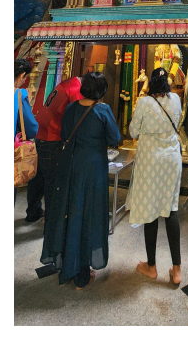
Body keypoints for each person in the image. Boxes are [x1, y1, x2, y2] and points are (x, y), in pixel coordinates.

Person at [40, 71, 121, 289]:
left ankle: (67, 264)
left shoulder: (71, 108)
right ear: (101, 91)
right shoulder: (102, 110)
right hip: (92, 169)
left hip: (71, 165)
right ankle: (82, 273)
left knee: (69, 211)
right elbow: (115, 138)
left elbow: (65, 134)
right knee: (88, 215)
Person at [126, 67, 184, 285]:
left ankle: (151, 267)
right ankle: (176, 270)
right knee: (171, 210)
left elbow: (133, 132)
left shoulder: (144, 103)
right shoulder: (176, 99)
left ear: (149, 83)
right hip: (171, 159)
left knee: (150, 211)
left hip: (150, 161)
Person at [24, 72, 84, 224]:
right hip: (52, 137)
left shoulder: (67, 83)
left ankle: (33, 211)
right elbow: (78, 116)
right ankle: (52, 222)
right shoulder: (76, 89)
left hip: (40, 132)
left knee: (38, 178)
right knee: (53, 181)